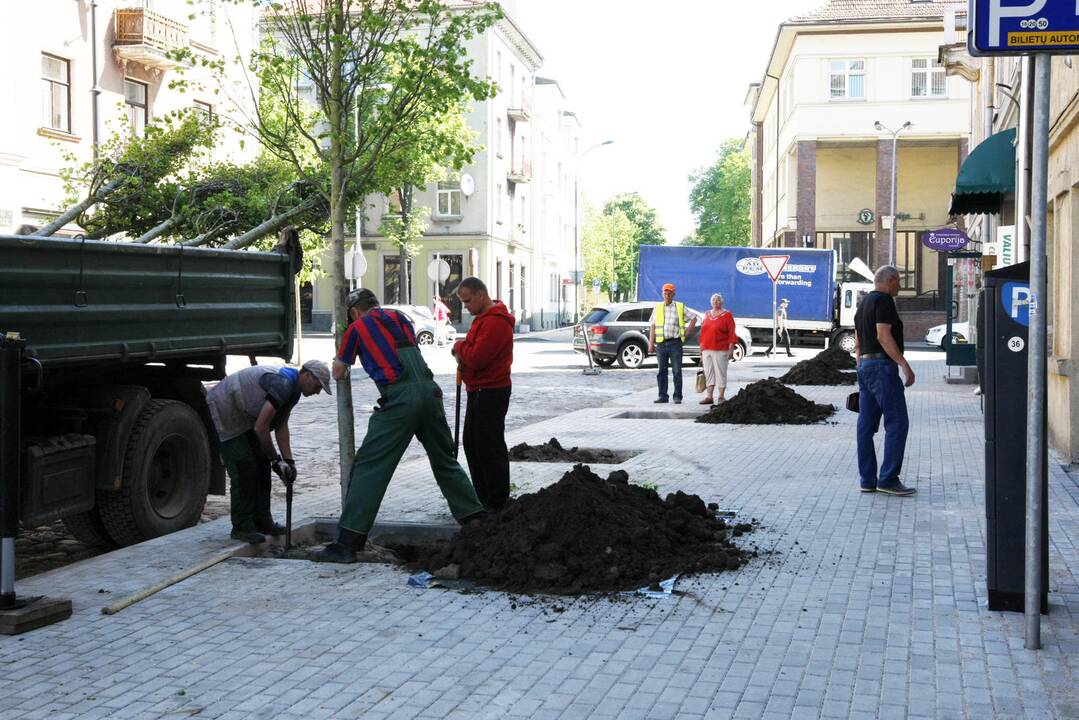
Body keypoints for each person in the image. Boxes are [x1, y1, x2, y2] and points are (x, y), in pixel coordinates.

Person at [314, 288, 486, 563]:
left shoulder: (357, 328)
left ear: (355, 313)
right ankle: (477, 521)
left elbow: (339, 371)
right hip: (430, 393)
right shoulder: (400, 317)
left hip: (399, 399)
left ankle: (347, 543)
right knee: (445, 461)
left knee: (370, 468)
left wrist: (341, 351)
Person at [206, 359, 332, 544]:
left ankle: (262, 521)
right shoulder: (283, 385)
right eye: (318, 385)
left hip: (245, 414)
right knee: (244, 468)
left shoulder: (294, 390)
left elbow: (281, 425)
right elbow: (261, 428)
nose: (317, 391)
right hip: (226, 407)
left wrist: (289, 462)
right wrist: (276, 459)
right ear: (306, 375)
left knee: (262, 465)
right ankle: (242, 527)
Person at [453, 277, 515, 511]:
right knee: (473, 443)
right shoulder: (483, 320)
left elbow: (477, 358)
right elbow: (472, 352)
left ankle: (496, 500)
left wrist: (459, 347)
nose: (465, 307)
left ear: (481, 294)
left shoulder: (495, 322)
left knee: (488, 445)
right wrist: (463, 348)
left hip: (491, 390)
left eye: (468, 301)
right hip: (478, 389)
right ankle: (484, 497)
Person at [854, 265, 916, 496]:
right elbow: (883, 335)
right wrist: (904, 365)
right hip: (882, 368)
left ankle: (867, 480)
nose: (899, 286)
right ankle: (888, 478)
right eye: (898, 281)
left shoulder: (862, 305)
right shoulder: (884, 301)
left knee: (865, 427)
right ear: (890, 280)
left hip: (865, 368)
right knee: (898, 422)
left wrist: (860, 366)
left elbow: (858, 343)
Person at [648, 283, 697, 404]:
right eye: (665, 293)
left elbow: (694, 318)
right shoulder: (658, 307)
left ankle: (677, 396)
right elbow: (653, 326)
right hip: (661, 344)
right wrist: (650, 344)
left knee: (677, 371)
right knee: (661, 371)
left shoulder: (679, 307)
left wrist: (685, 335)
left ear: (673, 294)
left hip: (675, 343)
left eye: (669, 293)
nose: (667, 295)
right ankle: (663, 396)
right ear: (662, 294)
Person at [698, 293, 737, 405]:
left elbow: (731, 332)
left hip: (721, 348)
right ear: (711, 302)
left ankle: (721, 396)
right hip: (706, 348)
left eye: (718, 300)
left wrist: (731, 348)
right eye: (713, 300)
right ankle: (709, 396)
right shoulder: (707, 314)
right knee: (708, 372)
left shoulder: (727, 315)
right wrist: (701, 347)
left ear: (722, 302)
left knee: (720, 372)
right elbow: (703, 332)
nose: (716, 302)